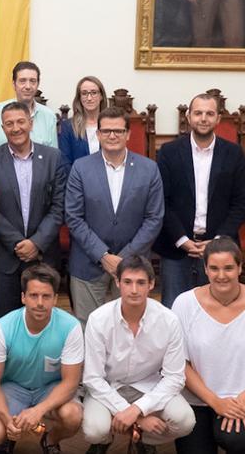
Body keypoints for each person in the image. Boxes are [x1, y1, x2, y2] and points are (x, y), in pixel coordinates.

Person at [171, 237, 245, 454]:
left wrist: (242, 401)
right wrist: (215, 402)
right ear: (205, 269)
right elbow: (180, 363)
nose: (221, 275)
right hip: (196, 398)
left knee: (236, 440)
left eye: (228, 268)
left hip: (243, 398)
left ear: (240, 268)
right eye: (214, 268)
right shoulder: (184, 304)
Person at [81, 256, 195, 454]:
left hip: (148, 387)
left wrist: (137, 410)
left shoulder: (169, 320)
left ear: (151, 284)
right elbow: (92, 378)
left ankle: (144, 439)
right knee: (94, 430)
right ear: (117, 283)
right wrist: (139, 418)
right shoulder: (98, 319)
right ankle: (105, 439)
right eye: (127, 282)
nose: (134, 290)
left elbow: (175, 377)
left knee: (185, 421)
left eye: (141, 283)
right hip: (108, 388)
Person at [65, 105, 165, 324]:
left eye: (118, 131)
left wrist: (124, 259)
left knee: (131, 325)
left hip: (134, 264)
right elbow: (73, 217)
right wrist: (103, 255)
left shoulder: (149, 169)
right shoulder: (80, 168)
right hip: (88, 263)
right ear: (98, 134)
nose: (112, 135)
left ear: (128, 134)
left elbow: (154, 218)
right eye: (106, 131)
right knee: (87, 327)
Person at [155, 93, 245, 306]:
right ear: (188, 117)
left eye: (209, 113)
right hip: (176, 247)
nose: (203, 118)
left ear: (218, 118)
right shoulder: (168, 152)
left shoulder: (234, 153)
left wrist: (218, 240)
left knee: (217, 309)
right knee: (174, 310)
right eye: (198, 113)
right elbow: (162, 201)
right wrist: (183, 240)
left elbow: (240, 203)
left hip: (220, 247)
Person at [0, 264, 84, 454]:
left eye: (46, 296)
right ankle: (8, 437)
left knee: (73, 416)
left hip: (50, 388)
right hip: (12, 387)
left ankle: (50, 440)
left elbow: (71, 382)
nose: (39, 303)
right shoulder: (2, 327)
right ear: (23, 297)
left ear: (55, 299)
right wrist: (7, 421)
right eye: (33, 295)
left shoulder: (71, 326)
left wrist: (38, 411)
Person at [0, 102, 67, 318]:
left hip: (43, 255)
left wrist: (36, 243)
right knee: (3, 323)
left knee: (43, 319)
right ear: (2, 129)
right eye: (9, 124)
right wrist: (18, 243)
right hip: (4, 258)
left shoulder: (53, 158)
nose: (16, 128)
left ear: (31, 123)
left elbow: (59, 207)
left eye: (21, 121)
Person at [0, 61, 58, 151]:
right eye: (22, 81)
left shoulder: (48, 116)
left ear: (38, 84)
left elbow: (53, 157)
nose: (28, 86)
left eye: (32, 81)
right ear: (14, 84)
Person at [58, 75, 108, 171]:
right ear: (79, 97)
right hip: (78, 183)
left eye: (94, 93)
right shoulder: (68, 126)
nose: (89, 98)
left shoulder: (111, 125)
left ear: (101, 96)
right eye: (84, 93)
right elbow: (65, 163)